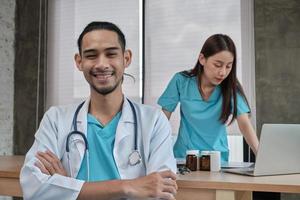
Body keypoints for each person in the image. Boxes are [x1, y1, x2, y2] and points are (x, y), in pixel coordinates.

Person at [20, 21, 177, 200]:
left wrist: (68, 188)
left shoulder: (154, 121)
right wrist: (128, 187)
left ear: (126, 58)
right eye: (91, 55)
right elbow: (33, 187)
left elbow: (162, 192)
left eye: (111, 54)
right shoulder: (56, 119)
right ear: (79, 62)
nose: (101, 64)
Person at [158, 34, 259, 162]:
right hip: (184, 158)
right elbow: (162, 120)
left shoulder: (231, 88)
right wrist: (154, 154)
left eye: (228, 66)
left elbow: (244, 124)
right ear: (202, 59)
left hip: (218, 161)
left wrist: (261, 157)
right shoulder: (181, 81)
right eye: (217, 65)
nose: (223, 72)